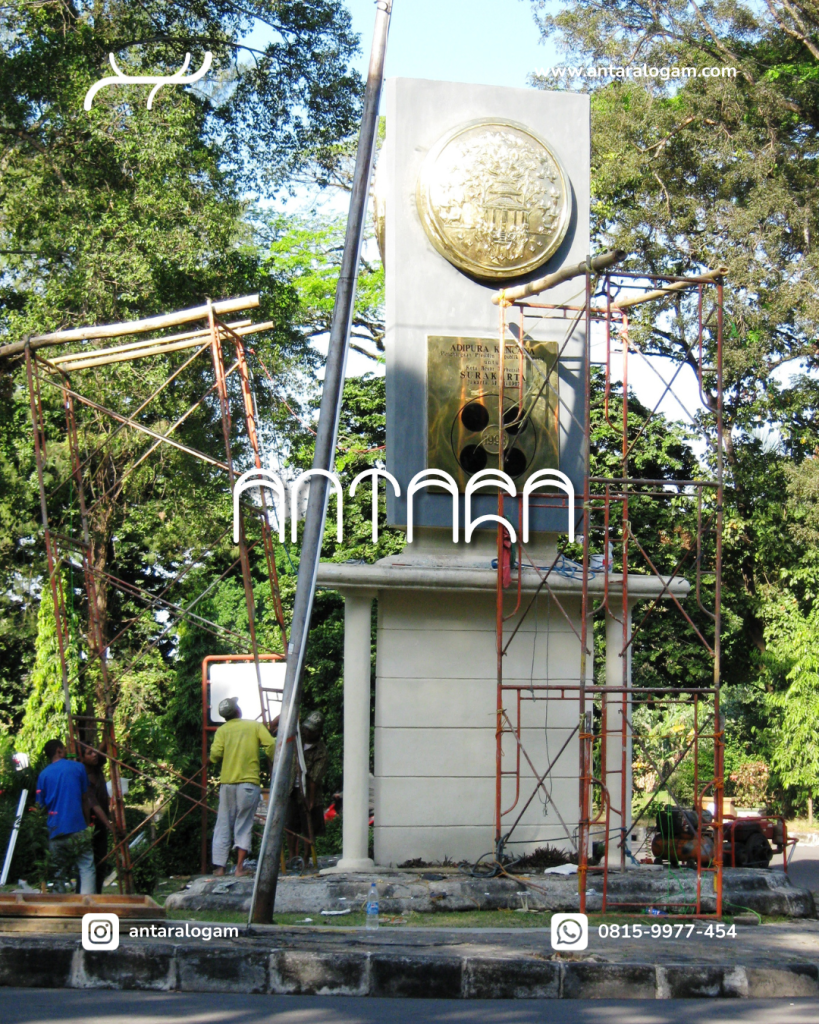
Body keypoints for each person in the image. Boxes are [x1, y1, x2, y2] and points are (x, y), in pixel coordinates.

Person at [209, 697, 276, 877]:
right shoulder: (253, 726)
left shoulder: (222, 731)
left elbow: (215, 755)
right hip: (248, 784)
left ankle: (220, 868)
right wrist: (274, 761)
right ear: (238, 710)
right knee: (244, 825)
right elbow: (271, 744)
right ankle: (239, 868)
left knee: (223, 824)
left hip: (227, 784)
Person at [35, 738, 110, 894]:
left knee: (58, 873)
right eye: (64, 749)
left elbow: (40, 807)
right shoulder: (78, 768)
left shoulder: (43, 775)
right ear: (59, 751)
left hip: (55, 830)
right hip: (78, 827)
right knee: (86, 867)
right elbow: (85, 800)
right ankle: (86, 905)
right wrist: (87, 824)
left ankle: (60, 909)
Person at [286, 710, 328, 864]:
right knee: (291, 825)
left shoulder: (321, 751)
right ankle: (292, 857)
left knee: (308, 827)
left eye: (311, 730)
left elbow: (314, 779)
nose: (307, 732)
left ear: (317, 732)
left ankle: (305, 857)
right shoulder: (297, 739)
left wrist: (310, 800)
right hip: (292, 788)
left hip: (309, 792)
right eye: (306, 729)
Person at [80, 744, 113, 893]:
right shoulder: (82, 778)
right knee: (87, 864)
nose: (94, 755)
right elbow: (95, 806)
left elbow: (103, 749)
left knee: (101, 863)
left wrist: (106, 726)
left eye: (94, 752)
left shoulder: (97, 767)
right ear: (82, 758)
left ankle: (97, 894)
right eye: (89, 753)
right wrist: (110, 825)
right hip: (89, 825)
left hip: (101, 824)